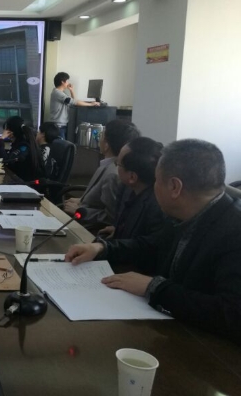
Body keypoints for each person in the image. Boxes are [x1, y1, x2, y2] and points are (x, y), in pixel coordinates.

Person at [66, 139, 241, 344]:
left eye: (156, 180)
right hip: (172, 330)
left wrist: (154, 287)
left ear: (174, 187)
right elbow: (151, 246)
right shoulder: (186, 213)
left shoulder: (233, 233)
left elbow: (232, 315)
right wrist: (102, 248)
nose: (153, 187)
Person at [64, 119, 140, 226]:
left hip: (88, 228)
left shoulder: (113, 174)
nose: (99, 139)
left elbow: (110, 218)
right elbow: (97, 201)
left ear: (106, 145)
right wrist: (81, 200)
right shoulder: (107, 166)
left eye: (101, 136)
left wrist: (80, 210)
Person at [98, 137, 166, 240]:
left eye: (118, 164)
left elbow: (145, 244)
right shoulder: (126, 188)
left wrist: (102, 246)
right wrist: (118, 229)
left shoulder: (157, 207)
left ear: (132, 177)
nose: (116, 166)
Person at [49, 72, 100, 139]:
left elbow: (73, 101)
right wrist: (91, 104)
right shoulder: (57, 93)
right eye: (67, 81)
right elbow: (74, 102)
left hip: (61, 125)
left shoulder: (62, 93)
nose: (68, 83)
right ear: (62, 82)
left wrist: (71, 90)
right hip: (58, 126)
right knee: (61, 144)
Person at [0, 116, 45, 182]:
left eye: (6, 130)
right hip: (18, 180)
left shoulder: (24, 146)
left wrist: (1, 139)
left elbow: (5, 161)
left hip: (26, 184)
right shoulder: (19, 143)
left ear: (10, 132)